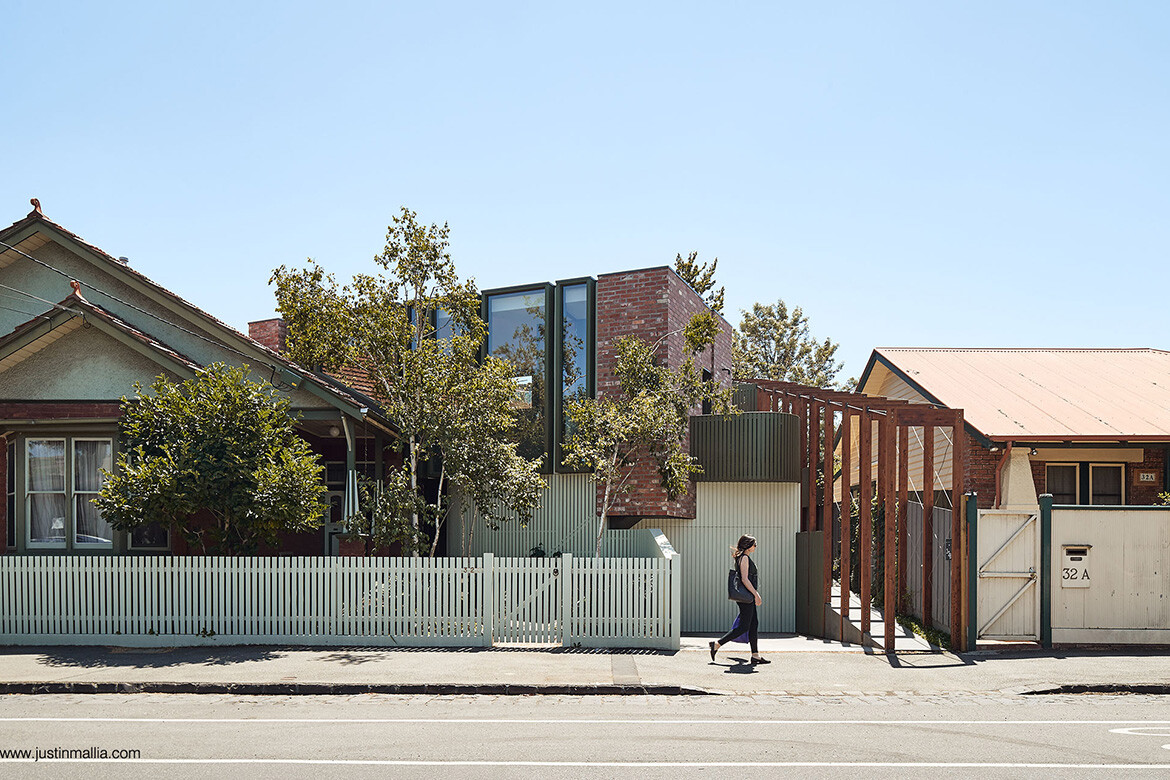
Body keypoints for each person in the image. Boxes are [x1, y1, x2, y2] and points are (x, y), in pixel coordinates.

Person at [709, 534, 769, 665]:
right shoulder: (744, 558)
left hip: (747, 596)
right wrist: (756, 594)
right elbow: (744, 579)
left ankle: (755, 655)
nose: (755, 547)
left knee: (753, 624)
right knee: (744, 626)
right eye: (754, 544)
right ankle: (717, 644)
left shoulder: (742, 557)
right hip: (746, 596)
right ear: (748, 546)